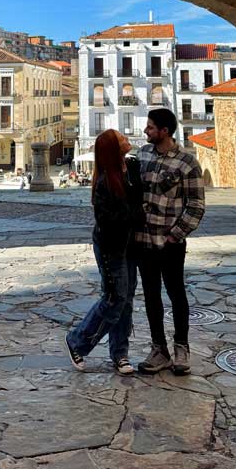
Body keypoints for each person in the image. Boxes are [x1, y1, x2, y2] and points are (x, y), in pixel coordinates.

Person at [65, 129, 142, 375]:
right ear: (113, 148)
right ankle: (77, 340)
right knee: (114, 298)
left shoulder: (128, 169)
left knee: (126, 299)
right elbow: (109, 220)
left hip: (128, 244)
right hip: (111, 247)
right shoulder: (103, 183)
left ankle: (120, 354)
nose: (126, 140)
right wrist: (134, 214)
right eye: (121, 139)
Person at [135, 109, 205, 377]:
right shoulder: (142, 156)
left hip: (170, 242)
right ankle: (158, 349)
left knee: (176, 294)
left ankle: (181, 348)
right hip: (144, 240)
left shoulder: (187, 163)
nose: (146, 131)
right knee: (152, 296)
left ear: (164, 131)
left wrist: (175, 235)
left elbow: (196, 205)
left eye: (151, 127)